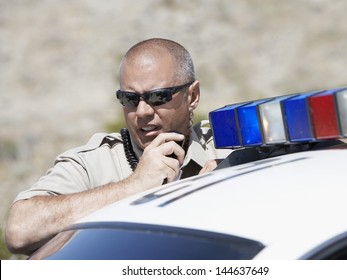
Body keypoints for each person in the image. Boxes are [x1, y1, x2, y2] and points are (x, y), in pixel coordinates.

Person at [5, 38, 231, 255]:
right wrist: (133, 186)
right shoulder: (94, 162)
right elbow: (19, 230)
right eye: (129, 99)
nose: (142, 112)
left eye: (158, 96)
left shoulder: (226, 145)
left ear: (192, 96)